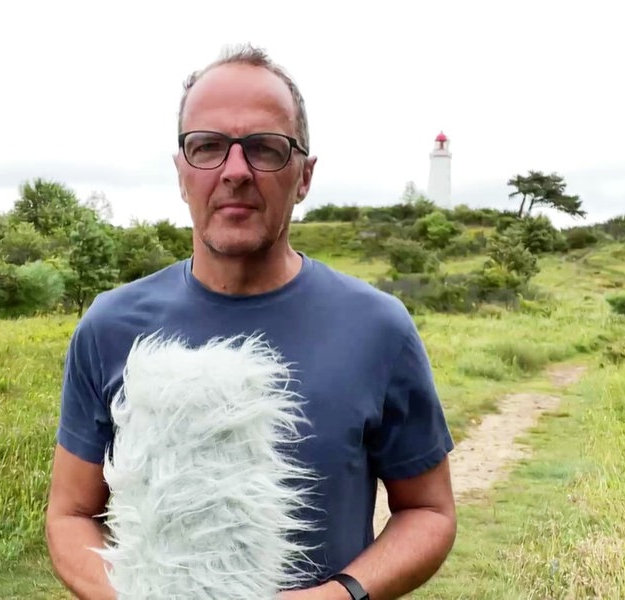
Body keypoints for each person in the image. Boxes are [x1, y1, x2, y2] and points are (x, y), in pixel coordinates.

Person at [45, 44, 457, 600]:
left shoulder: (378, 327)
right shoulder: (111, 324)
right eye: (208, 146)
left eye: (265, 148)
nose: (235, 171)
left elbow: (428, 511)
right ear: (181, 171)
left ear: (304, 176)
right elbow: (70, 514)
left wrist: (338, 596)